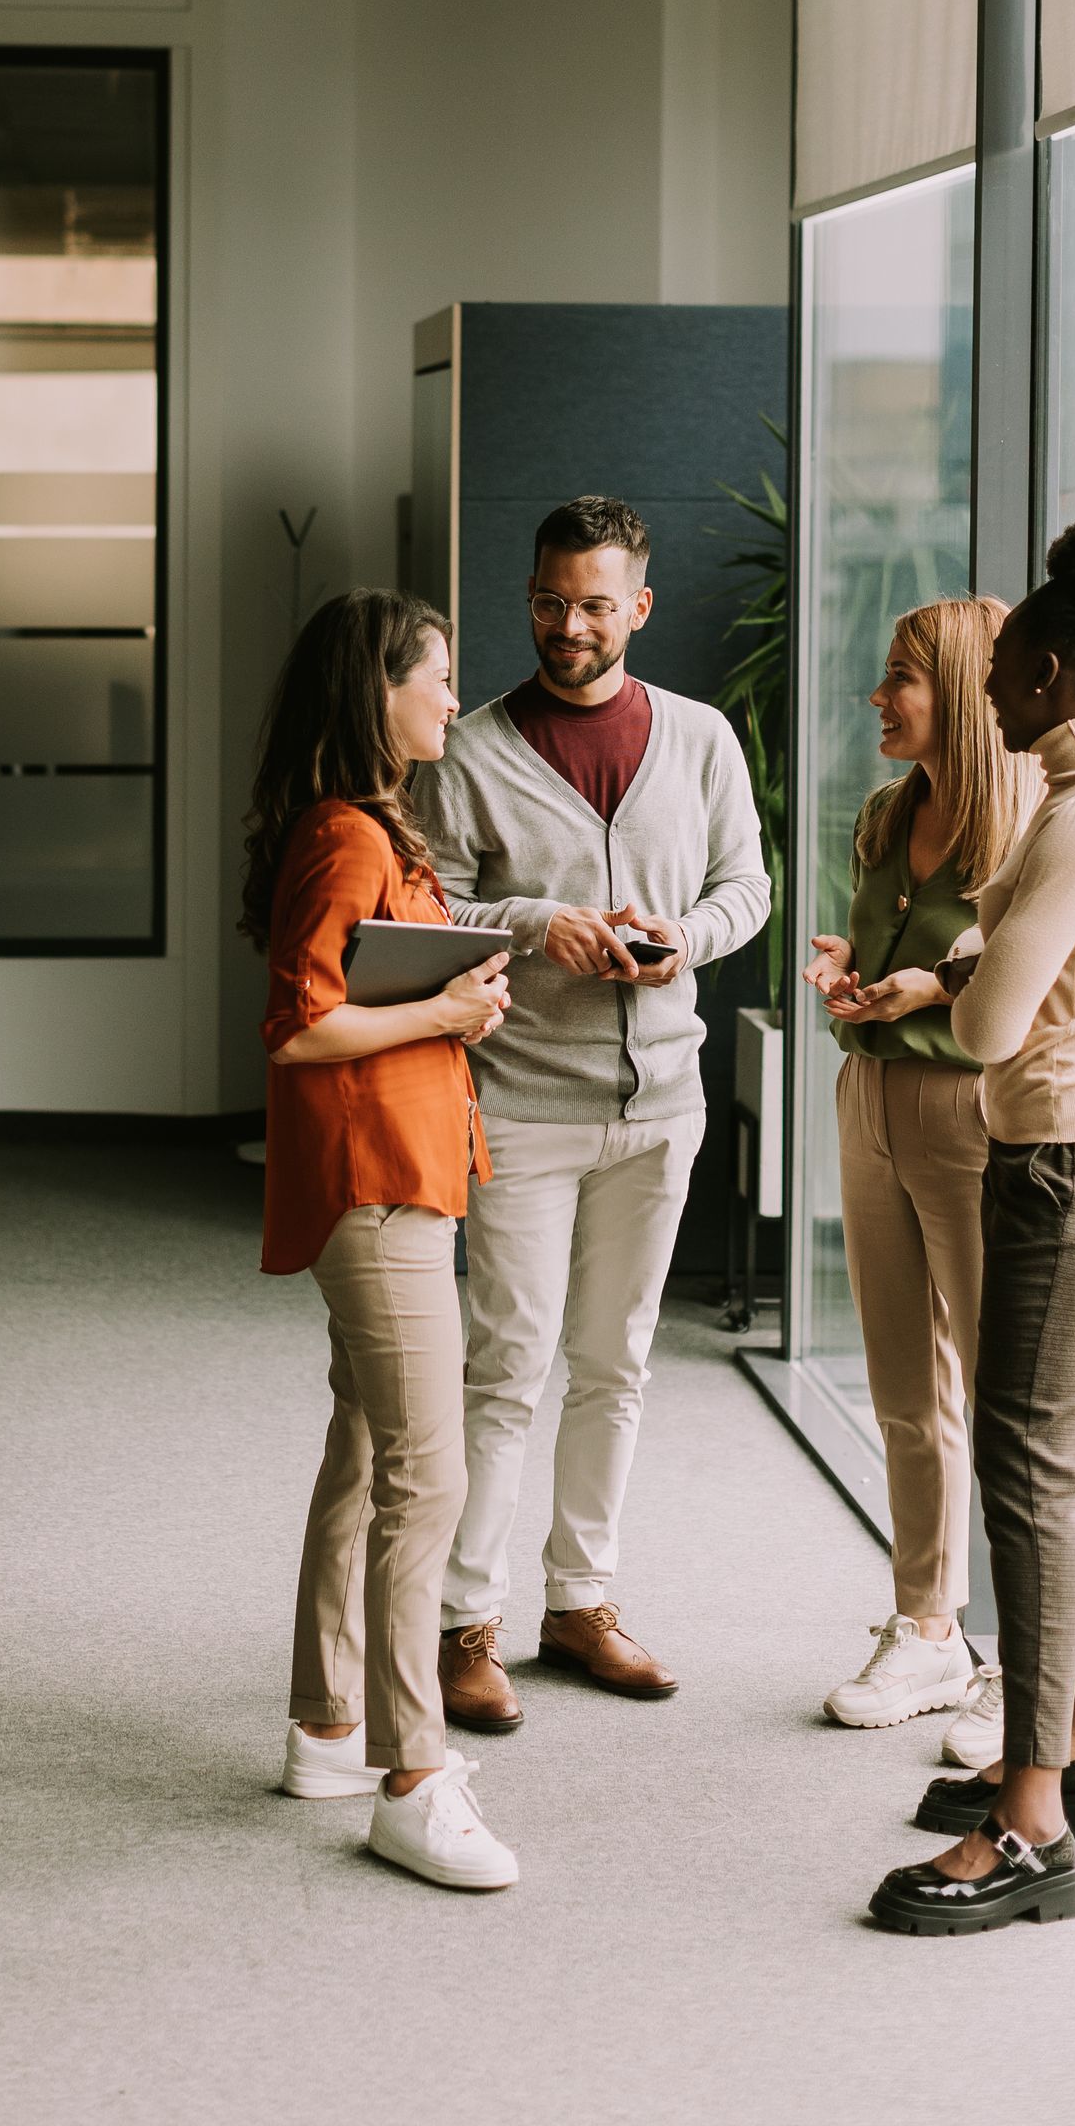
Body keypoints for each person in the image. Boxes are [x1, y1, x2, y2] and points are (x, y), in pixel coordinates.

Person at [869, 508, 1075, 1936]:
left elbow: (998, 1029)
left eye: (1002, 665)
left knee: (1027, 1473)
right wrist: (966, 961)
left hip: (1066, 1159)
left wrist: (961, 967)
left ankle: (1031, 1822)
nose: (988, 686)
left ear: (1050, 674)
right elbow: (1025, 961)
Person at [413, 495, 769, 1729]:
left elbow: (746, 886)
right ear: (530, 596)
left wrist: (690, 943)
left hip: (661, 1101)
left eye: (595, 604)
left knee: (616, 1365)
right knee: (505, 1366)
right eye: (551, 601)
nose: (569, 625)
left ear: (640, 608)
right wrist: (536, 922)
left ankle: (581, 1602)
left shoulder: (702, 739)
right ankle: (468, 1621)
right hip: (521, 1102)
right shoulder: (471, 749)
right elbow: (432, 906)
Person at [244, 587, 520, 1893]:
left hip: (400, 1167)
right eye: (439, 678)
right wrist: (448, 1013)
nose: (454, 701)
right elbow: (299, 1027)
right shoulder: (346, 835)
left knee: (366, 1448)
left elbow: (364, 994)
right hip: (376, 1180)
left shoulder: (365, 827)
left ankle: (326, 1726)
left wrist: (449, 1001)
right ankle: (414, 1774)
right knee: (429, 1472)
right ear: (381, 692)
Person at [803, 599, 1036, 1754]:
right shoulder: (894, 812)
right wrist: (856, 969)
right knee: (903, 1386)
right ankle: (927, 1628)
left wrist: (933, 993)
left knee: (1002, 1396)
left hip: (969, 1115)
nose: (878, 698)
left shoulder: (1029, 824)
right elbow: (893, 949)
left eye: (900, 677)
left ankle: (1023, 1663)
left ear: (959, 689)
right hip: (870, 1103)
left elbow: (1029, 975)